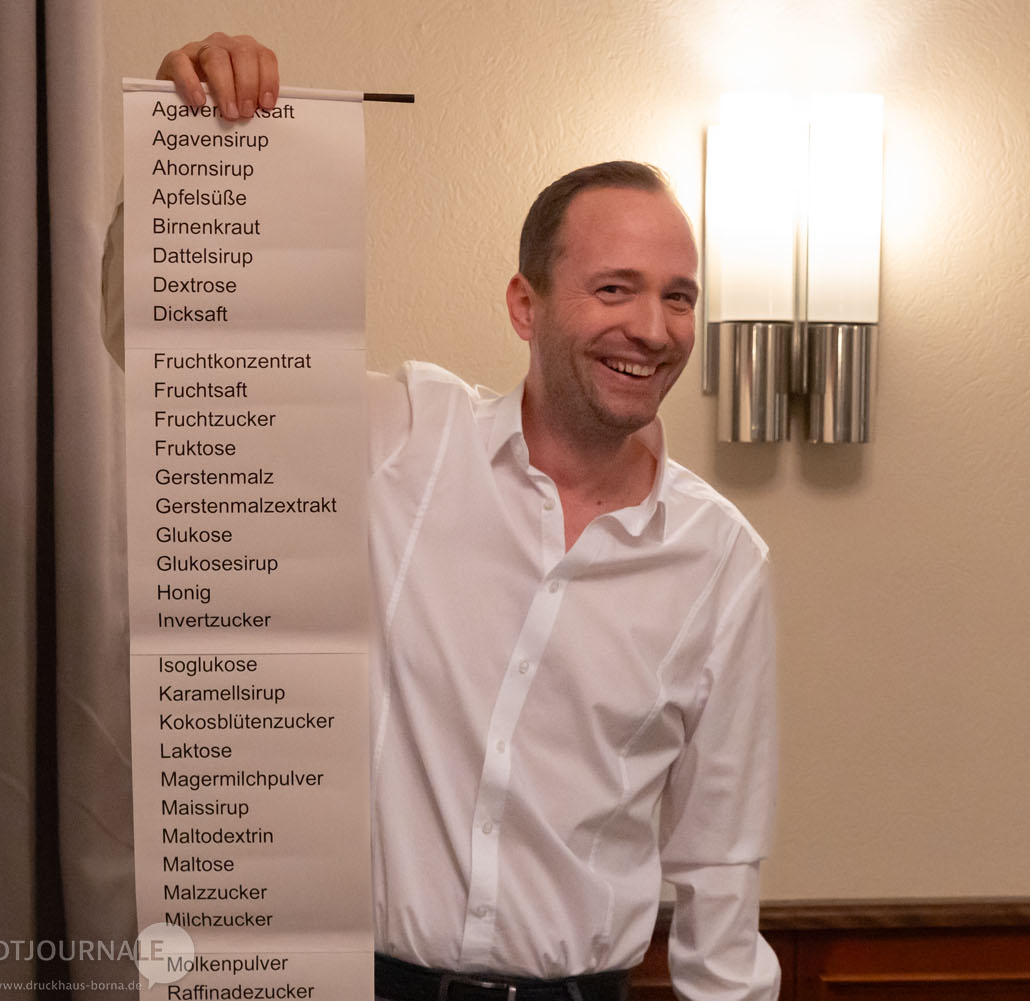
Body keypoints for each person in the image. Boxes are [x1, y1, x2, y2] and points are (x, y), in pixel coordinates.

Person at [156, 34, 781, 1001]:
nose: (652, 329)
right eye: (614, 288)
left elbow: (719, 863)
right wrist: (187, 151)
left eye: (679, 297)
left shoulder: (722, 559)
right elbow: (175, 344)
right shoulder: (403, 439)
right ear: (526, 306)